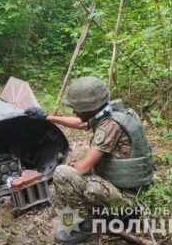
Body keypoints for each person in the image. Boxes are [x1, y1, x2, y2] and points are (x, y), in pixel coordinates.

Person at [25, 76, 153, 244]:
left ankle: (82, 226)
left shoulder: (108, 126)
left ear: (89, 108)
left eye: (77, 108)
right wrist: (47, 117)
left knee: (63, 173)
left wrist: (74, 173)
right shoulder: (114, 113)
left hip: (128, 201)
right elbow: (80, 123)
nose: (74, 112)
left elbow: (83, 168)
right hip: (135, 191)